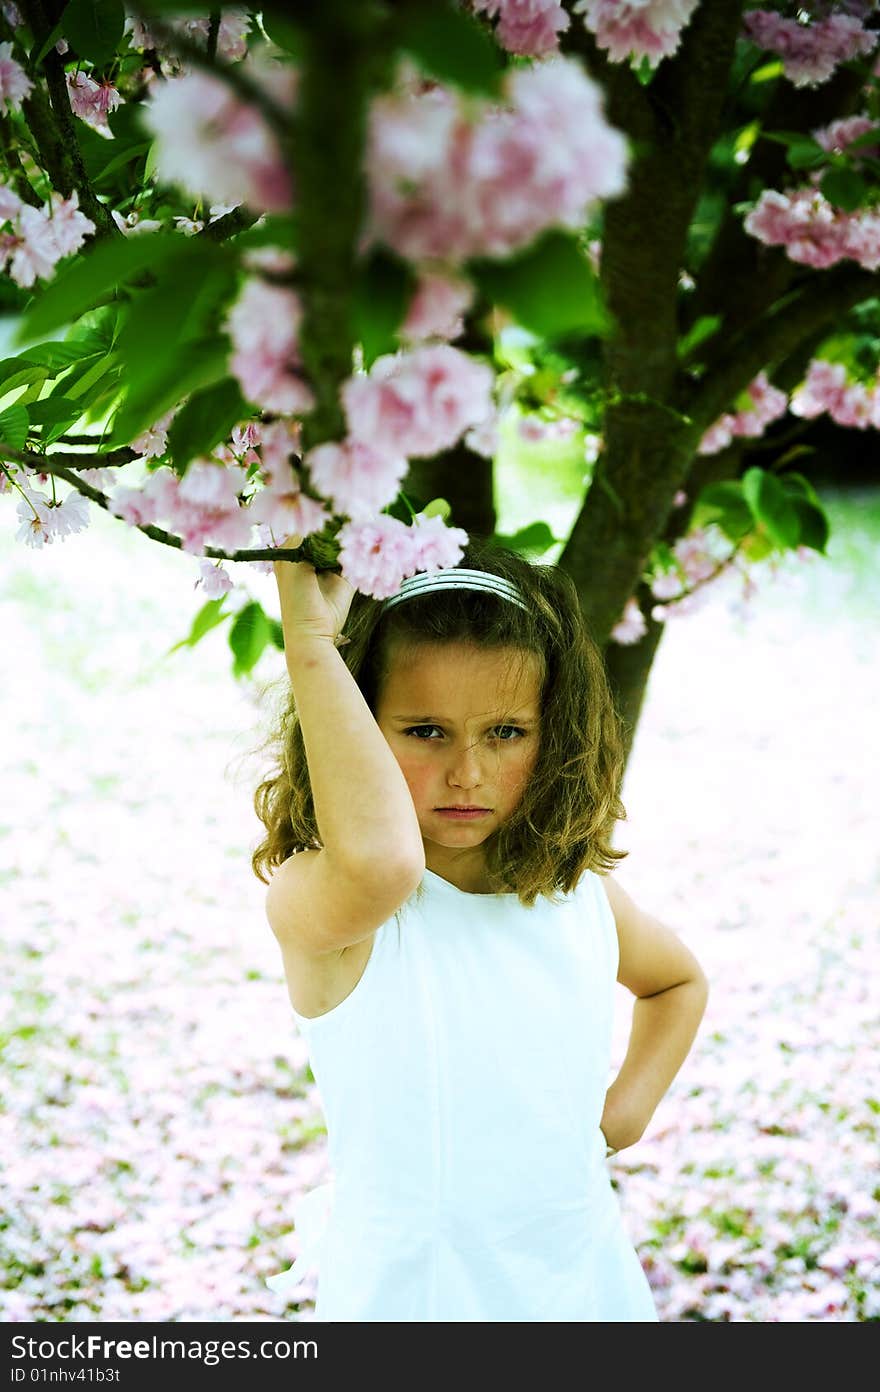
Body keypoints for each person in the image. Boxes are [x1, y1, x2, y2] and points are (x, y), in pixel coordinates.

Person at [252, 529, 710, 1322]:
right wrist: (315, 651)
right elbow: (381, 862)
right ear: (358, 727)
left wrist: (621, 1115)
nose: (467, 772)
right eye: (424, 732)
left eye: (505, 733)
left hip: (581, 1281)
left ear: (551, 733)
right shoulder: (335, 907)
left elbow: (677, 982)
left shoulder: (577, 898)